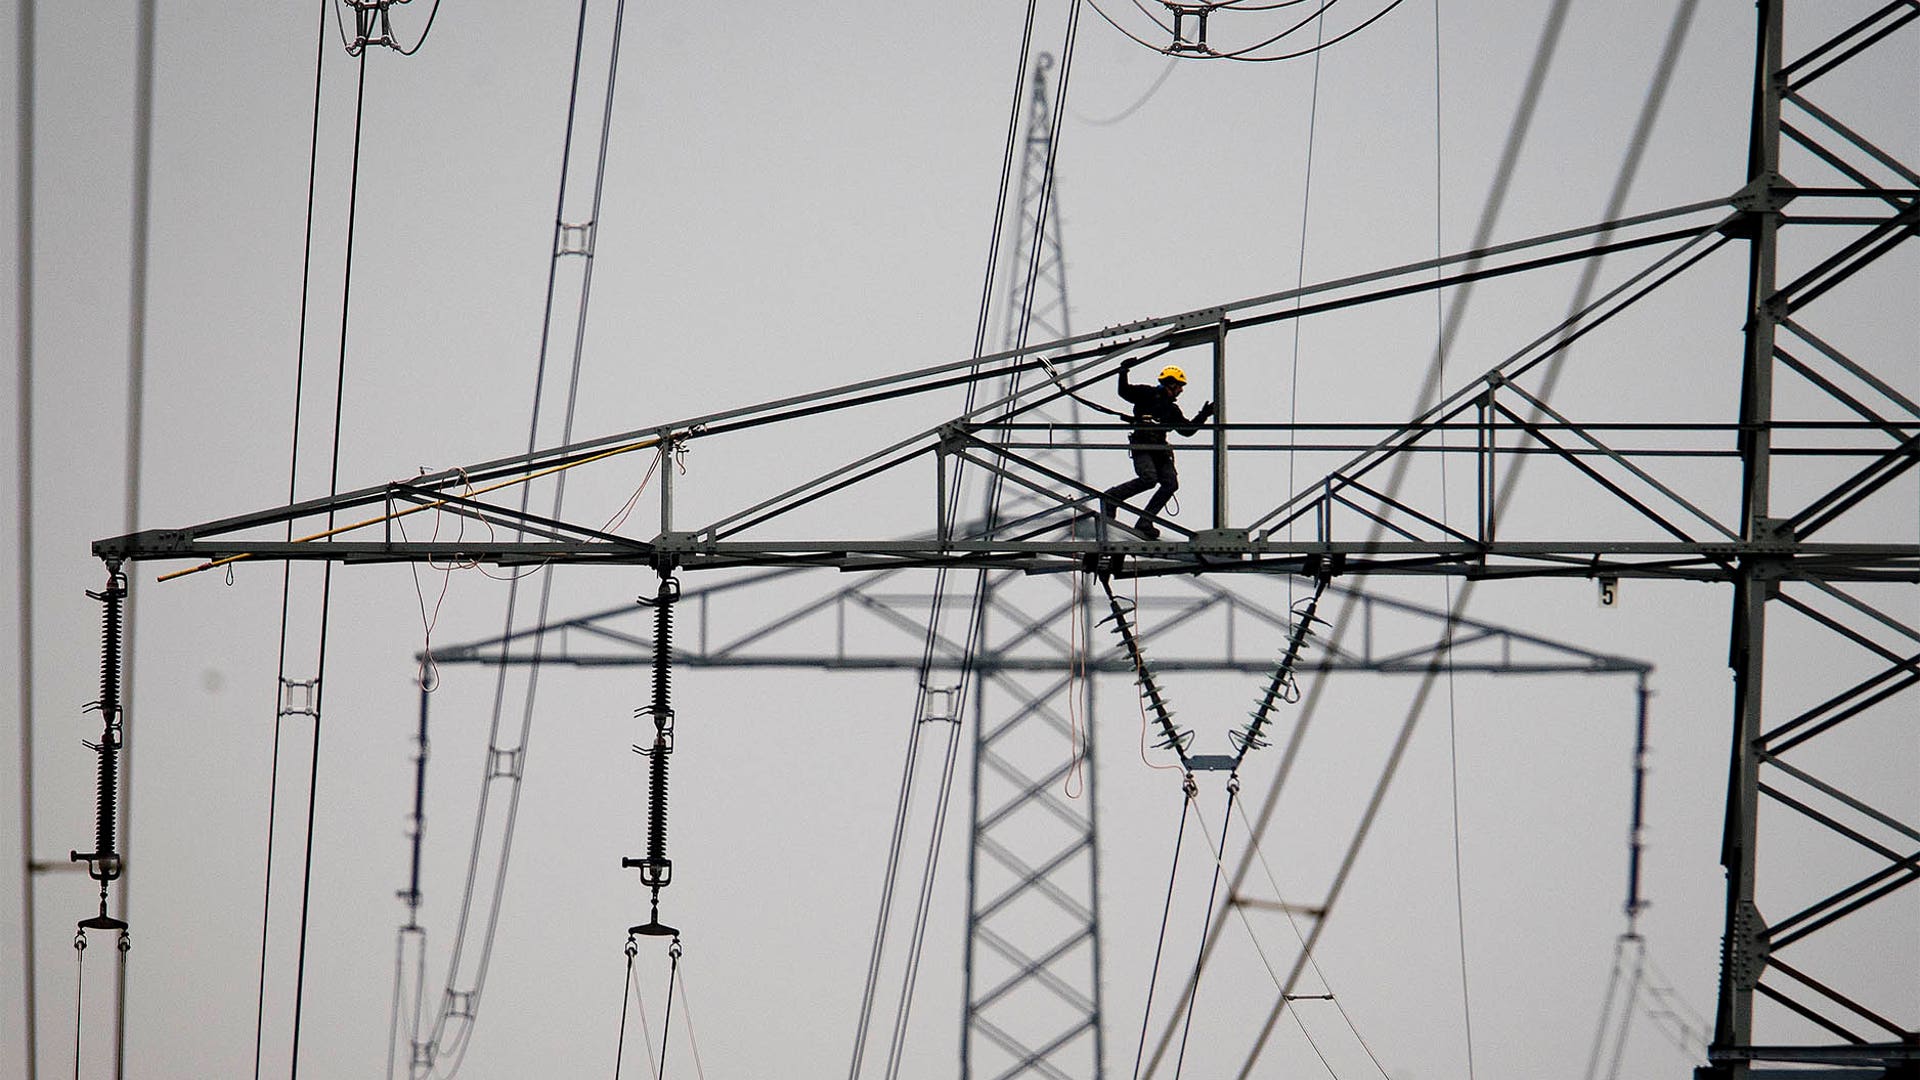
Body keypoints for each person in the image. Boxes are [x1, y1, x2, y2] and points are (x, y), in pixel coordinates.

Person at [1101, 360, 1214, 538]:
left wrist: (1204, 415)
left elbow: (1187, 431)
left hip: (1159, 450)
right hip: (1143, 445)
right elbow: (1124, 391)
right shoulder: (1147, 394)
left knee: (1170, 483)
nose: (1181, 390)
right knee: (1149, 479)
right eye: (1180, 386)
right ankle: (1112, 498)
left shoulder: (1172, 409)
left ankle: (1145, 521)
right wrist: (1123, 371)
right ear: (1171, 383)